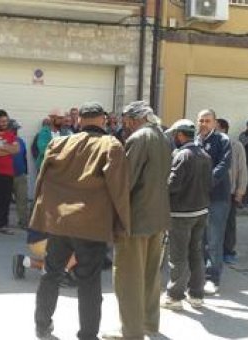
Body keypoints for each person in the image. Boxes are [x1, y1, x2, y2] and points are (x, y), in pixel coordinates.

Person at [31, 102, 130, 340]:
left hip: (59, 222)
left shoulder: (60, 143)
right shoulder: (112, 146)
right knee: (89, 282)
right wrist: (124, 225)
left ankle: (42, 326)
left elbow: (41, 180)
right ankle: (87, 335)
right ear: (103, 120)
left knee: (51, 273)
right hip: (91, 224)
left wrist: (41, 214)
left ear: (79, 121)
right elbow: (120, 190)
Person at [108, 102, 171, 340]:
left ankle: (131, 332)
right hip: (158, 216)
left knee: (128, 277)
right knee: (150, 274)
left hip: (136, 219)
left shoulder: (138, 139)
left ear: (134, 120)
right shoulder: (162, 136)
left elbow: (126, 182)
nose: (125, 126)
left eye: (125, 121)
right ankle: (149, 324)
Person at [161, 121, 212, 311]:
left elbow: (173, 185)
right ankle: (196, 295)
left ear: (181, 135)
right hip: (201, 211)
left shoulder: (182, 155)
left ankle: (174, 297)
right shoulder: (205, 155)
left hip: (181, 214)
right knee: (196, 253)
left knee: (178, 256)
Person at [196, 109, 232, 295]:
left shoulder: (223, 140)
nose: (203, 123)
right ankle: (201, 275)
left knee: (214, 239)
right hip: (198, 198)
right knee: (200, 239)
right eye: (201, 120)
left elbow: (224, 165)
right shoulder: (196, 140)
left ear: (215, 122)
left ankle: (213, 278)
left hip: (217, 197)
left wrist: (206, 181)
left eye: (207, 120)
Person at [217, 119, 248, 264]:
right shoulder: (207, 143)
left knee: (229, 223)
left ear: (223, 129)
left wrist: (240, 191)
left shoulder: (236, 145)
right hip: (211, 191)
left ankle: (228, 251)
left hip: (229, 191)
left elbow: (242, 170)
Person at [12, 229, 77, 285]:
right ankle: (61, 274)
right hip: (47, 242)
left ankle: (25, 261)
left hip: (35, 242)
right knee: (83, 249)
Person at [10, 119, 29, 229]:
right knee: (3, 201)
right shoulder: (3, 141)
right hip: (6, 175)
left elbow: (24, 157)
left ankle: (23, 222)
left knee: (22, 199)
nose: (15, 131)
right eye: (13, 129)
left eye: (16, 129)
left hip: (20, 175)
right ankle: (2, 223)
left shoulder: (20, 141)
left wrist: (26, 172)